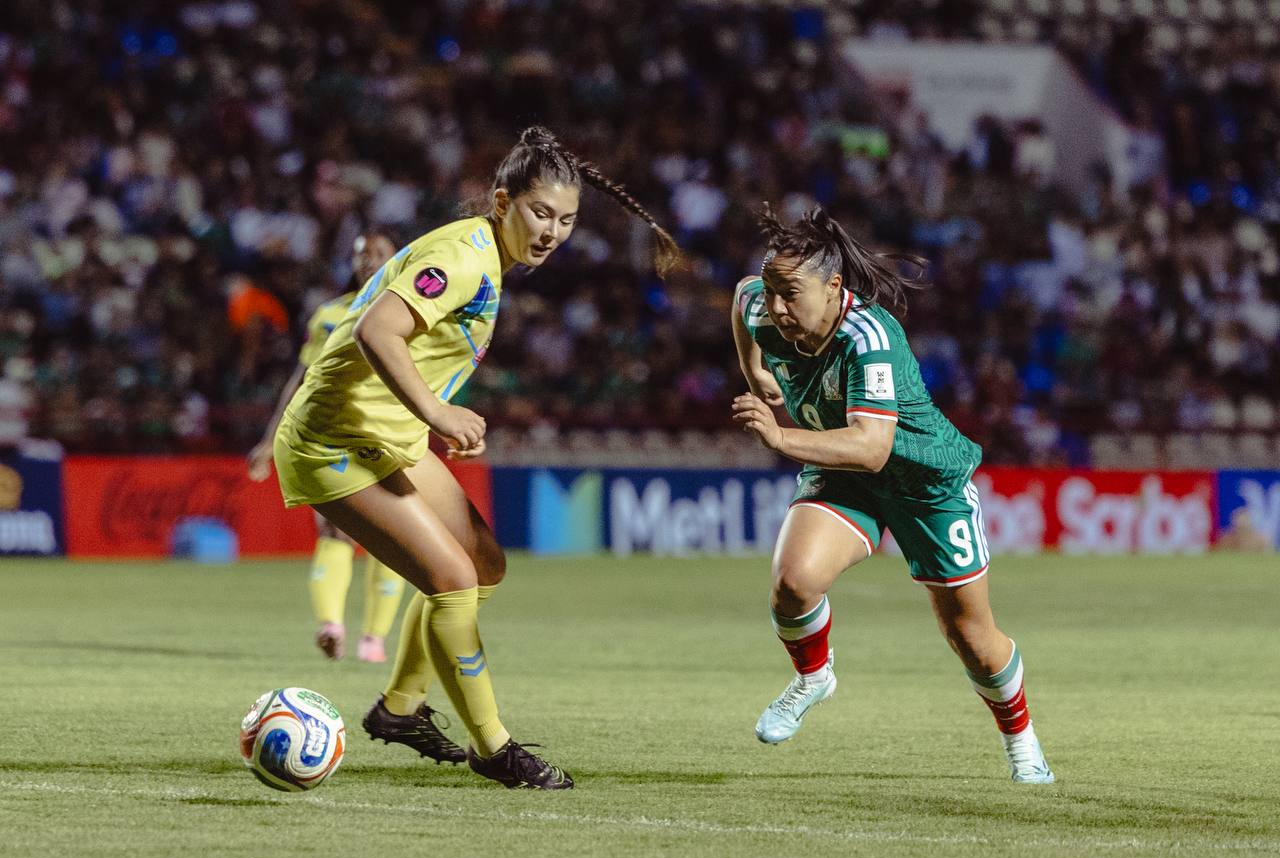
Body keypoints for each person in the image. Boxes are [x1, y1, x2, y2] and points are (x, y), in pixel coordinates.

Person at [272, 126, 678, 789]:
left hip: (385, 435)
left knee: (484, 563)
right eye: (539, 212)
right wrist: (437, 413)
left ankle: (400, 708)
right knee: (454, 579)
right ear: (501, 200)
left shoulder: (487, 257)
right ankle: (494, 748)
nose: (551, 231)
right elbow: (378, 328)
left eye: (566, 220)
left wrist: (427, 415)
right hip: (334, 441)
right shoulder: (465, 257)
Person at [730, 205, 1053, 783]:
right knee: (792, 583)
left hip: (923, 482)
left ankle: (1022, 741)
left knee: (971, 639)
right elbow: (743, 296)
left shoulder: (870, 338)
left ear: (833, 288)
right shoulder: (764, 306)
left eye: (791, 294)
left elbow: (872, 446)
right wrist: (755, 371)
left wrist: (781, 435)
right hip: (849, 478)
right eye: (774, 293)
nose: (777, 308)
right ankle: (814, 676)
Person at [248, 230, 407, 663]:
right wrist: (269, 440)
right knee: (334, 527)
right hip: (332, 433)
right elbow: (300, 380)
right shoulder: (329, 316)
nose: (369, 261)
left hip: (389, 435)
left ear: (396, 260)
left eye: (379, 254)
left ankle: (374, 638)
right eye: (362, 254)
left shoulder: (414, 312)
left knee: (393, 536)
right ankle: (330, 624)